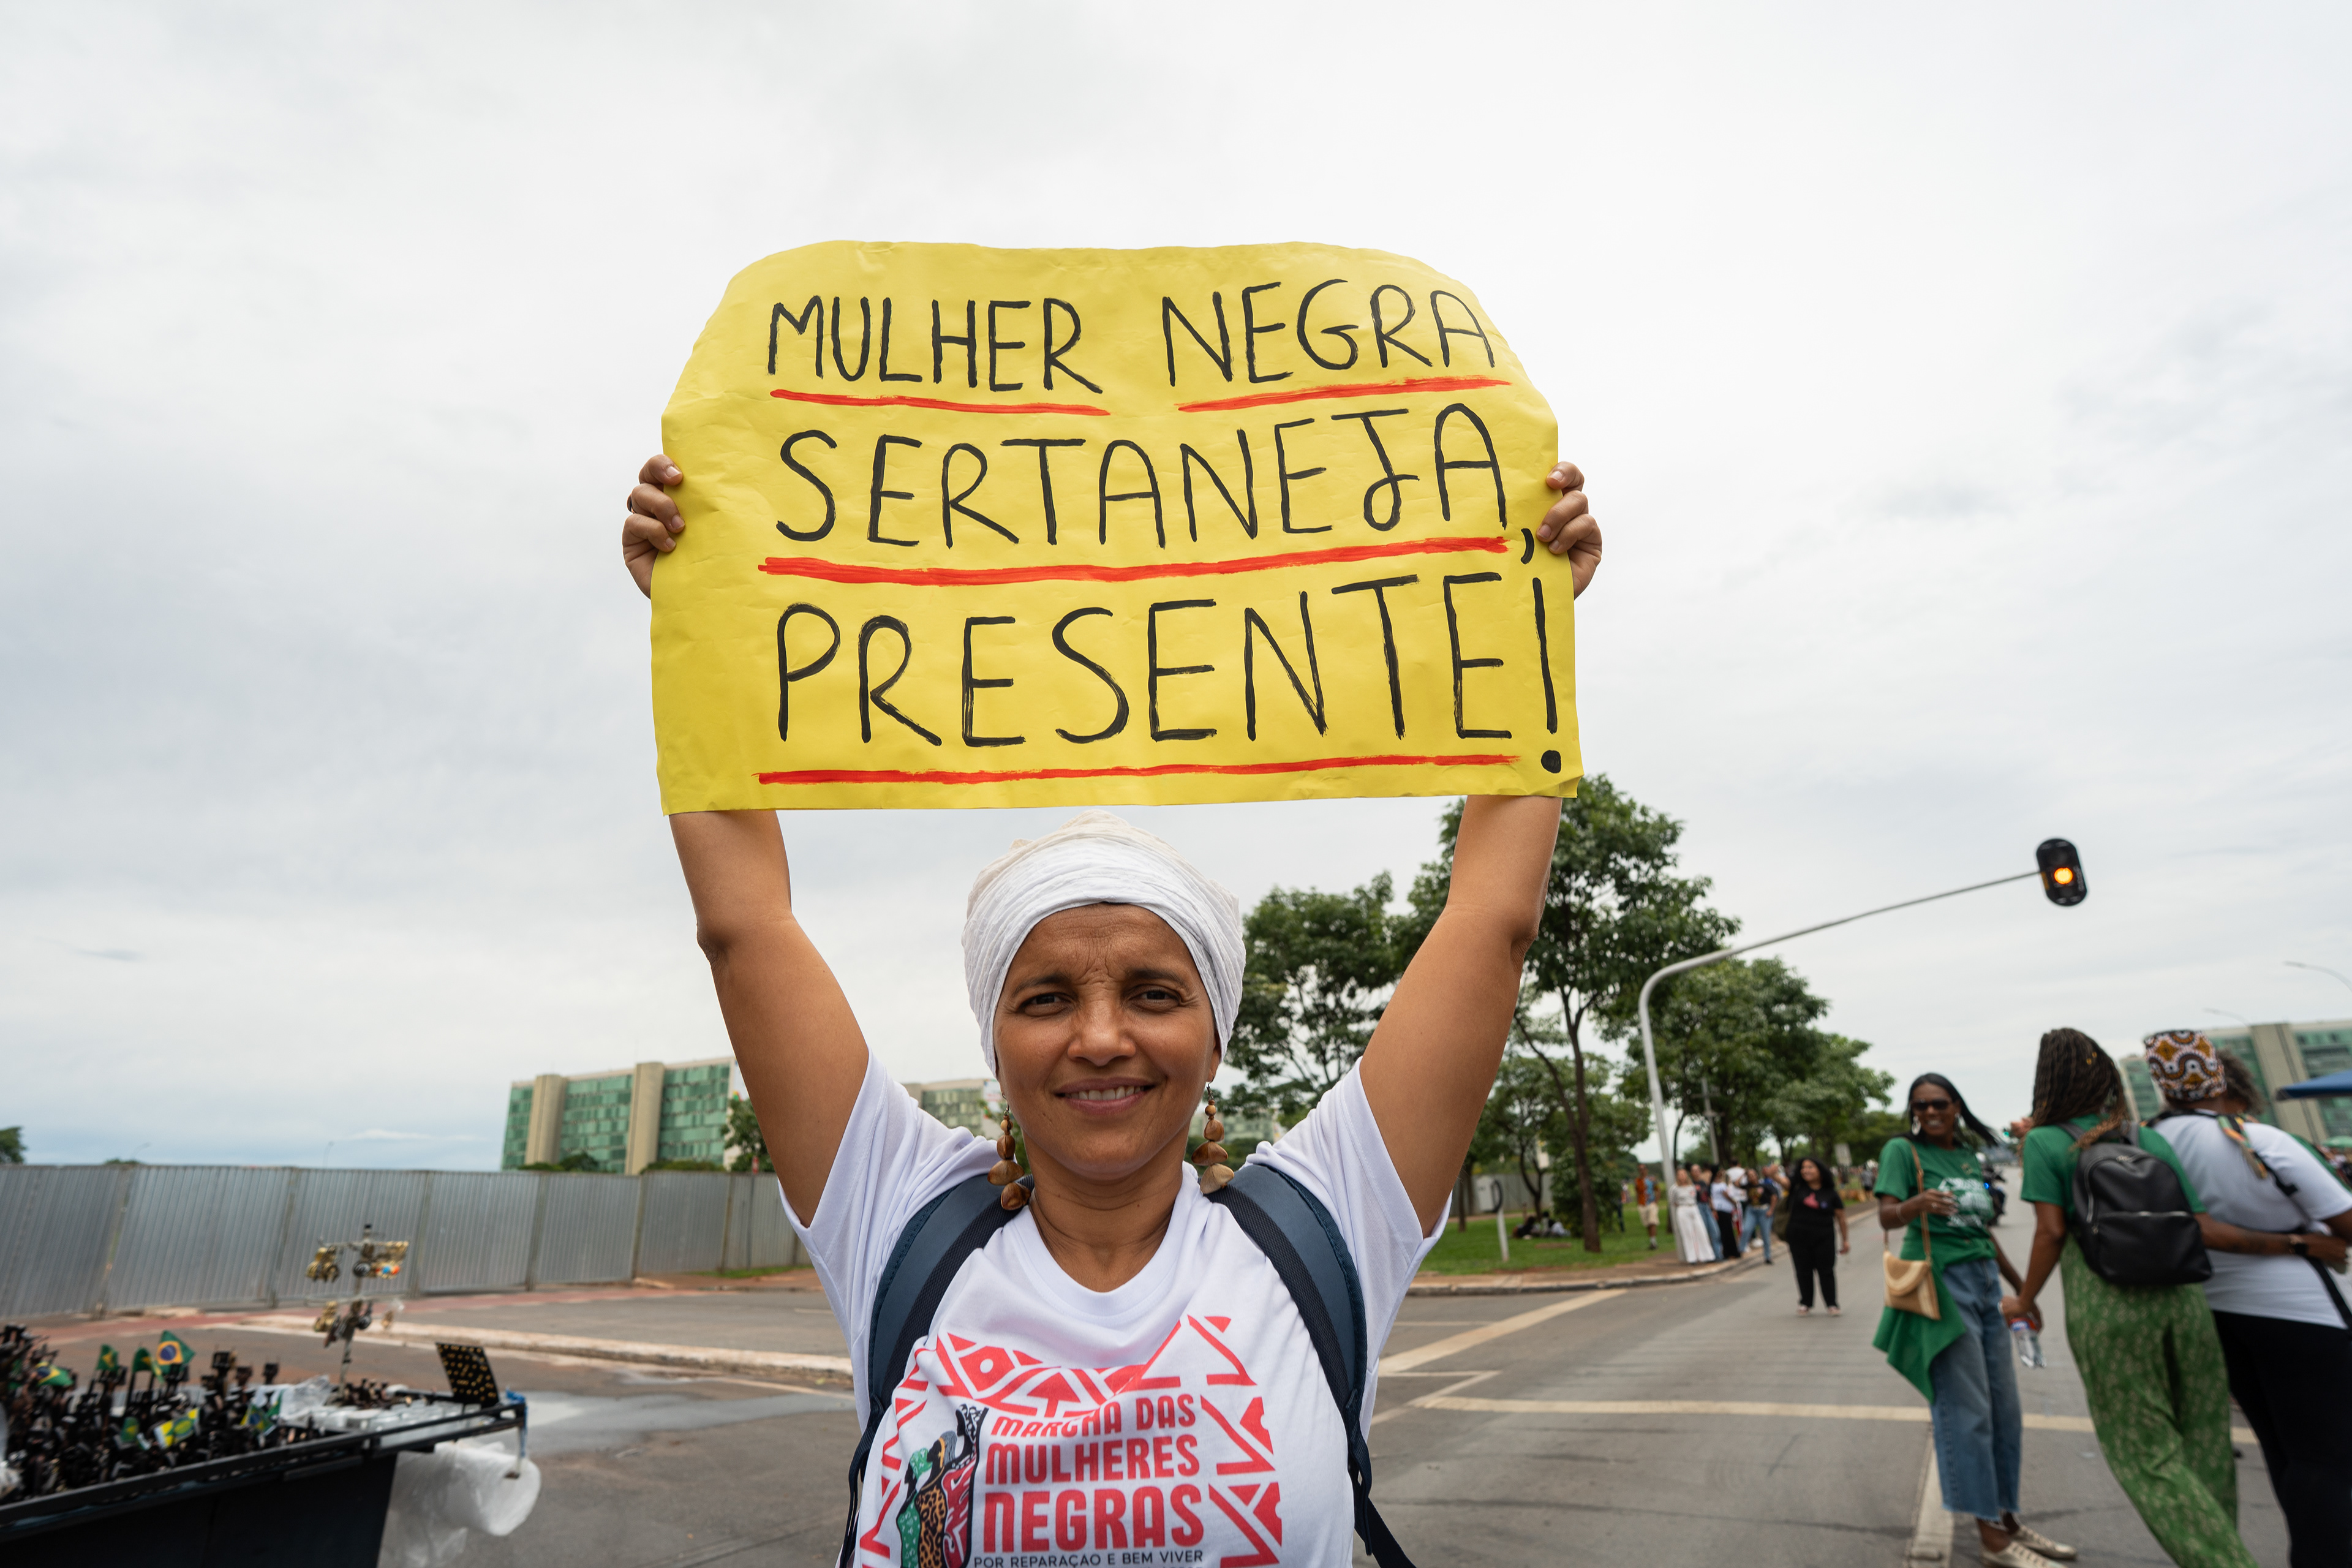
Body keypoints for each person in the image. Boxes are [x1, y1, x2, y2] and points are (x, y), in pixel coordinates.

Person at [619, 450, 1600, 1567]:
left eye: (1152, 993)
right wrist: (699, 618)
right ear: (994, 1044)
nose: (1099, 1037)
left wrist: (1529, 624)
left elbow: (1490, 919)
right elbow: (745, 926)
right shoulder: (895, 1215)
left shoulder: (1327, 1226)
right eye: (1045, 998)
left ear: (1216, 1036)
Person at [2008, 1029, 2253, 1568]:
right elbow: (2195, 1222)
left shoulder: (2045, 1142)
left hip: (2109, 1304)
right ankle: (2222, 1549)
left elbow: (2051, 1232)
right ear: (2107, 1079)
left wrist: (2024, 1299)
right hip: (2184, 1302)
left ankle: (2225, 1562)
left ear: (2047, 1081)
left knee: (2144, 1452)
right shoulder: (2149, 1139)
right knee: (2205, 1438)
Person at [2144, 1030, 2352, 1568]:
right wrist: (2304, 1242)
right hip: (2303, 1315)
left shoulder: (2151, 1143)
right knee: (2330, 1459)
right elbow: (2345, 1222)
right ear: (2224, 1080)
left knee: (2285, 1451)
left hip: (2218, 1312)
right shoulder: (2259, 1140)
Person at [1874, 1074, 2073, 1567]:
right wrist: (1916, 1204)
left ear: (1956, 1107)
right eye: (1920, 1105)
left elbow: (1983, 1231)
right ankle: (1991, 1539)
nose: (1929, 1112)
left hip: (1985, 1281)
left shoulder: (1966, 1155)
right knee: (1969, 1410)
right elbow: (1886, 1215)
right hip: (1942, 1283)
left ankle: (2008, 1521)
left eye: (1939, 1103)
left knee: (2005, 1409)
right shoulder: (1903, 1151)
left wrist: (2023, 1292)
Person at [1785, 1156, 1847, 1314]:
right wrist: (1773, 1175)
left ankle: (1832, 1304)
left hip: (1824, 1238)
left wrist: (1845, 1240)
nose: (1806, 1170)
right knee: (1802, 1271)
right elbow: (1784, 1183)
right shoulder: (1797, 1188)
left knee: (1826, 1271)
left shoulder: (1831, 1193)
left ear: (1820, 1171)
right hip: (1798, 1238)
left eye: (1810, 1167)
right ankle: (1805, 1303)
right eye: (1803, 1168)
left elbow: (1841, 1218)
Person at [1670, 1166, 1720, 1263]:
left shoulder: (1691, 1186)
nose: (1682, 1176)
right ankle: (1692, 1258)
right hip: (1683, 1209)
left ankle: (1707, 1256)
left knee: (1701, 1232)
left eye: (1684, 1174)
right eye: (1680, 1175)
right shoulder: (1674, 1188)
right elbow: (1673, 1201)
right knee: (1688, 1234)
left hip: (1694, 1208)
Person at [1740, 1164, 1779, 1264]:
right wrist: (1743, 1174)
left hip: (1764, 1211)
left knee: (1765, 1234)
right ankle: (1740, 1250)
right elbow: (1736, 1184)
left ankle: (1768, 1257)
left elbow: (1774, 1196)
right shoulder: (1748, 1186)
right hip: (1751, 1210)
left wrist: (1771, 1210)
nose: (1752, 1177)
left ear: (1757, 1175)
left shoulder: (1765, 1185)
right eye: (1749, 1176)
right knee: (1746, 1229)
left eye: (1753, 1175)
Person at [1708, 1164, 1742, 1258]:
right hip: (1722, 1210)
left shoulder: (1714, 1184)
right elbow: (1726, 1195)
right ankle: (1731, 1252)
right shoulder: (1719, 1185)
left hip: (1724, 1210)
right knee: (1727, 1232)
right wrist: (1734, 1203)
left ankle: (1729, 1252)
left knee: (1727, 1231)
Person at [1629, 1168, 1660, 1249]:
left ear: (1647, 1170)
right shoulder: (1637, 1181)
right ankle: (1651, 1241)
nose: (1642, 1171)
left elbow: (1658, 1190)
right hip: (1642, 1204)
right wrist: (1638, 1203)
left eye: (1643, 1169)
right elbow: (1637, 1191)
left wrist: (1656, 1202)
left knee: (1652, 1222)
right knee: (1647, 1224)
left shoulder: (1652, 1179)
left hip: (1651, 1203)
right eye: (1641, 1169)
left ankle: (1654, 1242)